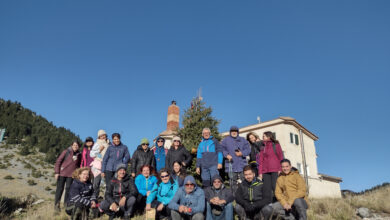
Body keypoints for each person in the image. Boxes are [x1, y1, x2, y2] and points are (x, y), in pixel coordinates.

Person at [54, 140, 82, 212]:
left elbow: (78, 165)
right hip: (62, 173)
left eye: (77, 145)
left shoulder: (79, 154)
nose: (75, 146)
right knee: (59, 190)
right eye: (74, 145)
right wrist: (57, 172)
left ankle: (66, 205)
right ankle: (57, 205)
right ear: (72, 145)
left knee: (68, 190)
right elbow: (58, 161)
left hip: (71, 175)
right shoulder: (66, 152)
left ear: (79, 147)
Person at [220, 126, 250, 191]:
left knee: (245, 180)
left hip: (242, 164)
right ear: (230, 132)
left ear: (238, 132)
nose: (234, 133)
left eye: (235, 131)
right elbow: (221, 149)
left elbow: (248, 149)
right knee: (232, 182)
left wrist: (242, 153)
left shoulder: (243, 140)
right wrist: (226, 155)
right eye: (232, 131)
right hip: (231, 164)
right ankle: (234, 197)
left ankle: (245, 196)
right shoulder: (225, 140)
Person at [89, 129, 110, 198]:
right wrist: (99, 150)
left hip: (106, 165)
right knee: (96, 183)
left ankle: (105, 199)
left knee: (106, 184)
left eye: (104, 135)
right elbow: (91, 154)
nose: (103, 137)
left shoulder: (108, 144)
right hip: (98, 165)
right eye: (101, 136)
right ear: (99, 137)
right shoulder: (97, 143)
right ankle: (94, 198)